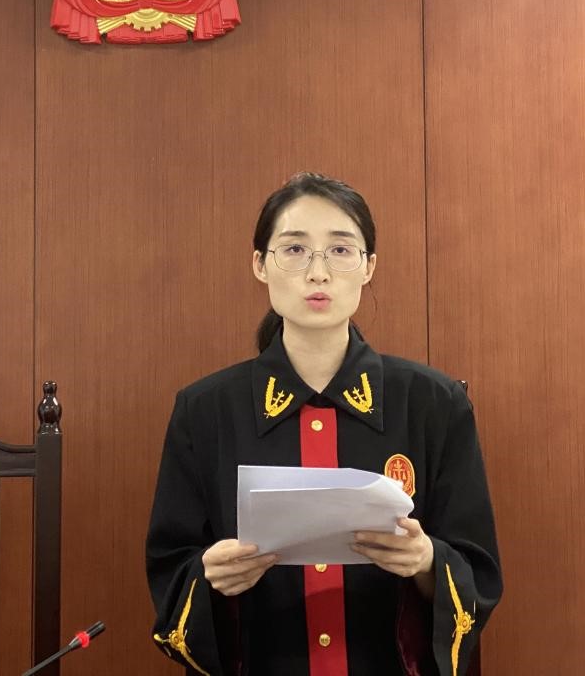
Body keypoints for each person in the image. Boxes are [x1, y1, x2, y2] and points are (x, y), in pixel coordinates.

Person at [146, 172, 501, 675]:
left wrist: (426, 561)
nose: (318, 273)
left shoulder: (434, 404)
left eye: (340, 250)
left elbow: (477, 570)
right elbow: (170, 571)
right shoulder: (204, 411)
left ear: (368, 266)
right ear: (260, 264)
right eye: (294, 250)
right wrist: (209, 578)